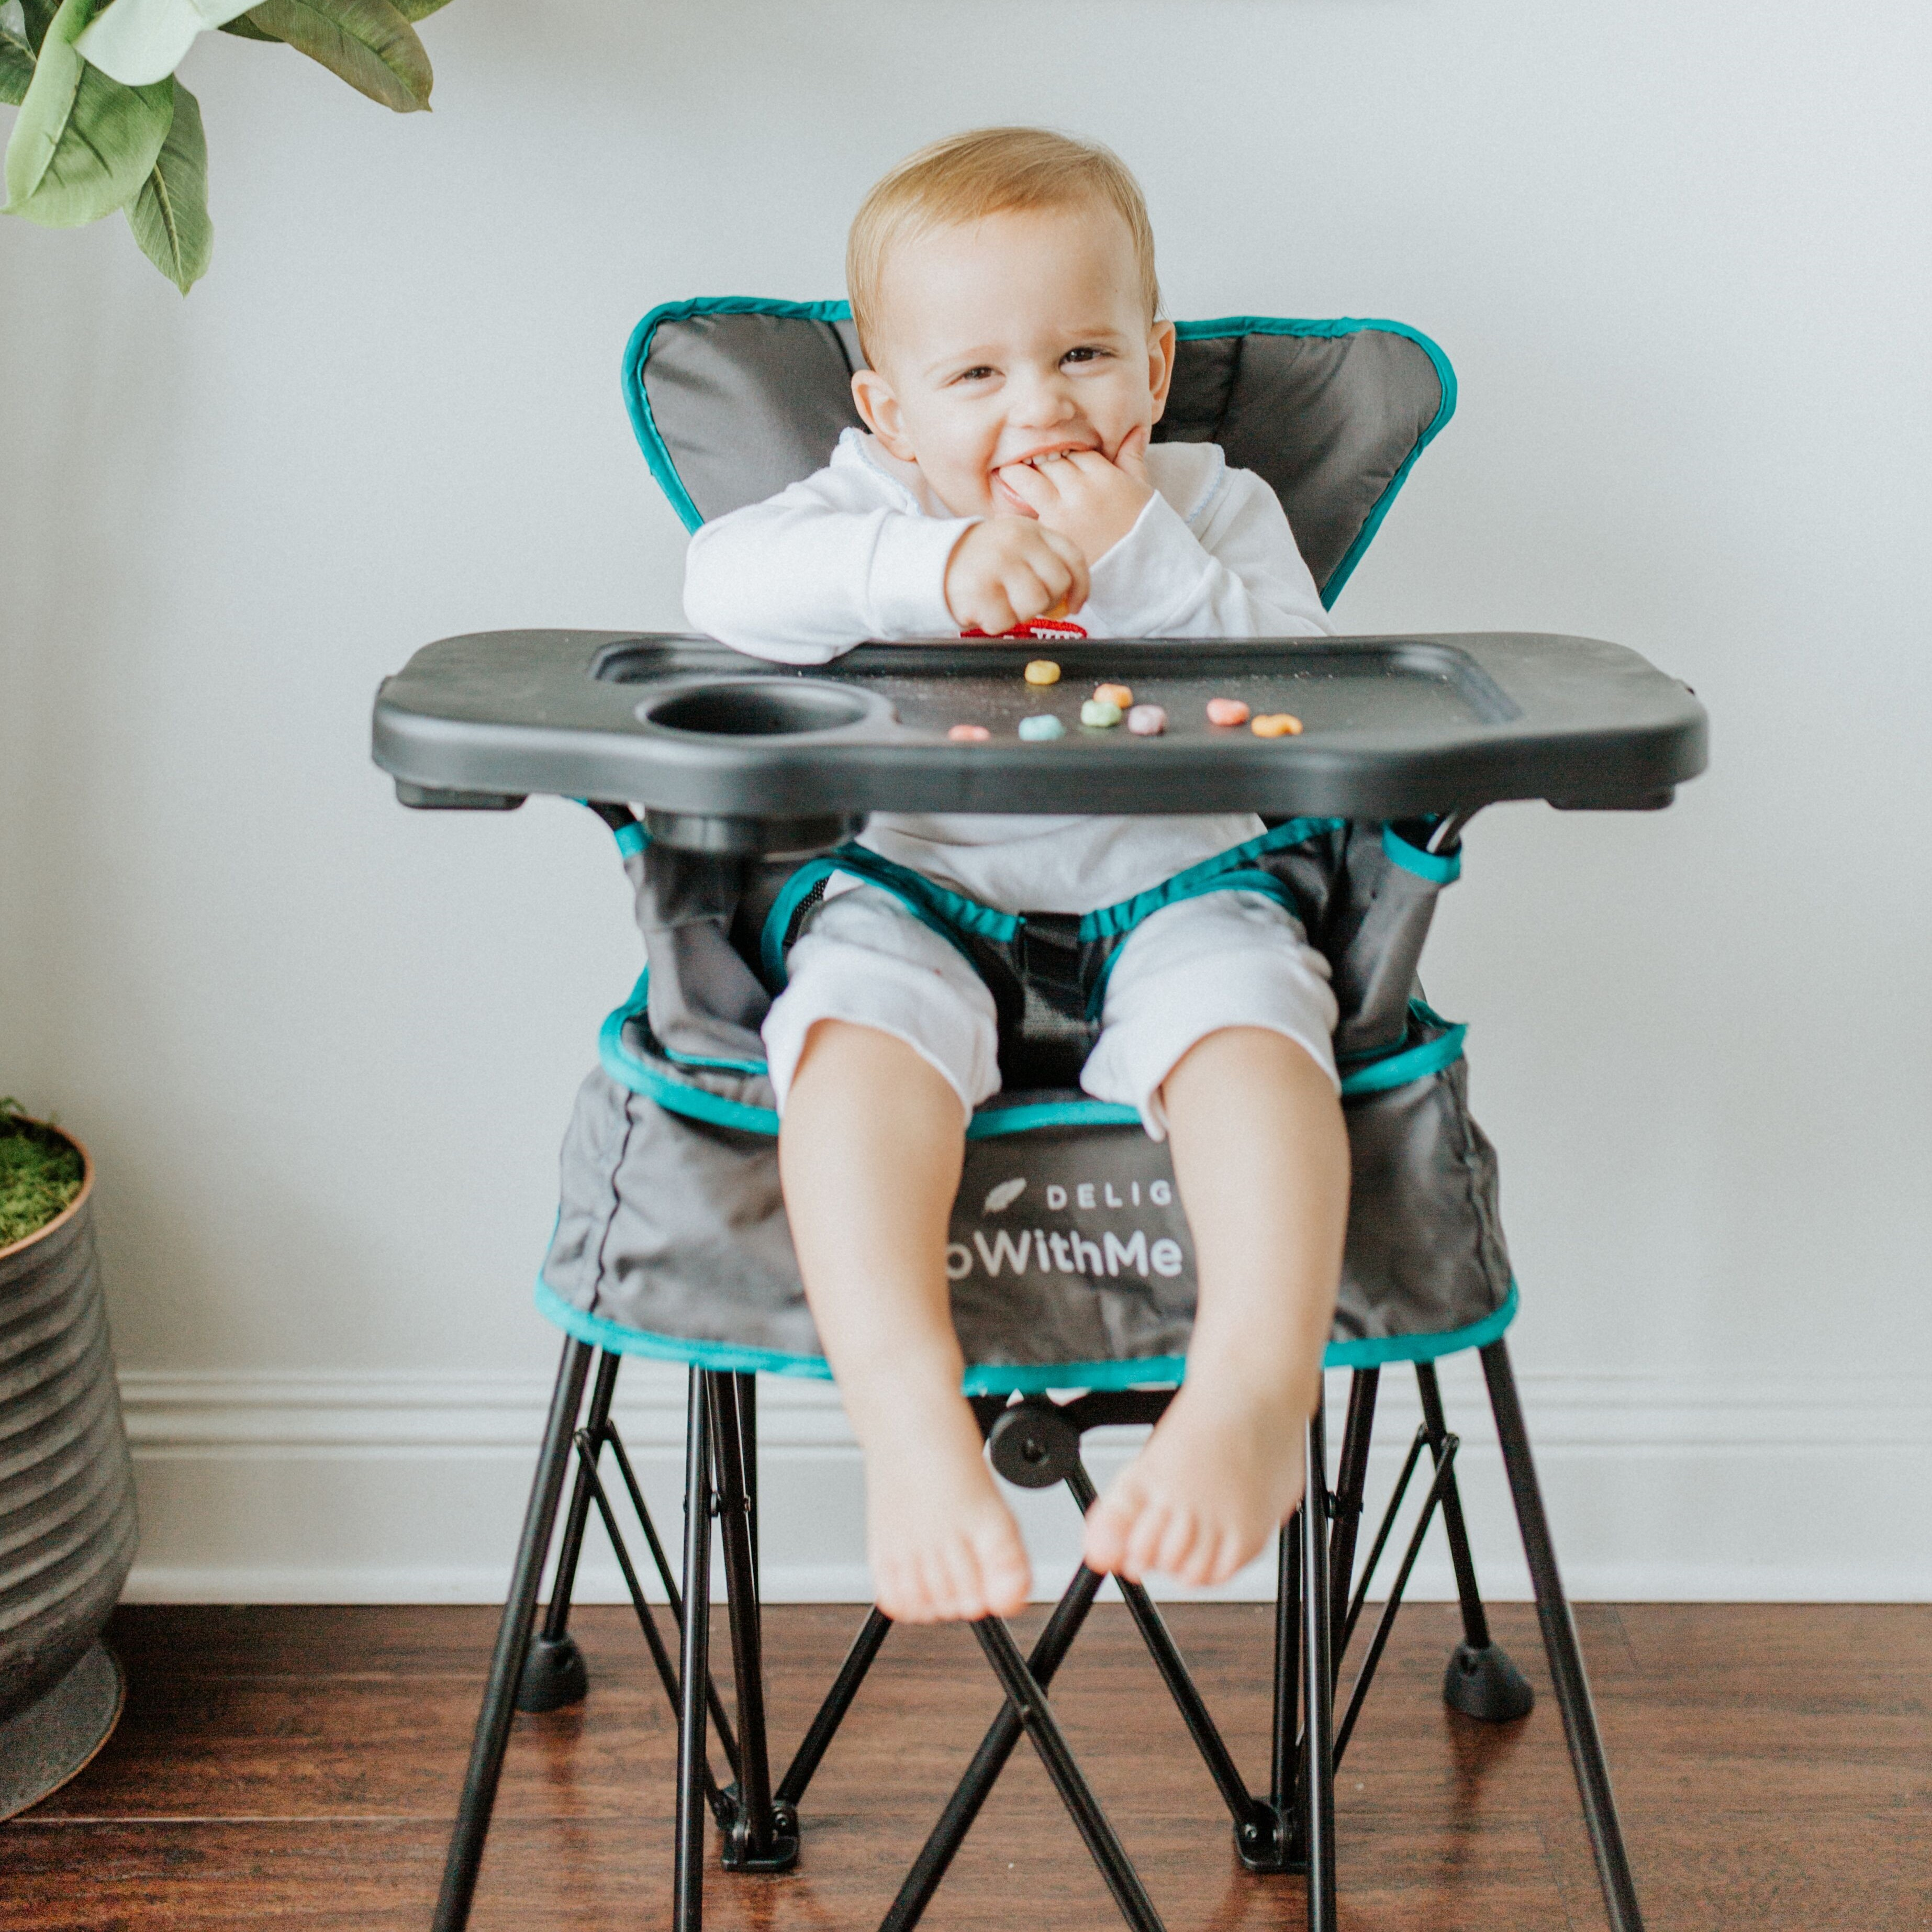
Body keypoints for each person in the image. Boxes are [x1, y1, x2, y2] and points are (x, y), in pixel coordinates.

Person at [683, 127, 1349, 1625]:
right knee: (847, 1042)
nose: (1041, 406)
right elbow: (717, 590)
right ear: (890, 408)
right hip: (925, 886)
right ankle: (910, 1424)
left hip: (1181, 885)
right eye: (976, 377)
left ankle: (1248, 1393)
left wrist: (1150, 555)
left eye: (1086, 355)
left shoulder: (1210, 505)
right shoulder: (874, 508)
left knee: (1258, 1034)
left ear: (1159, 366)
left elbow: (1314, 687)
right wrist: (926, 573)